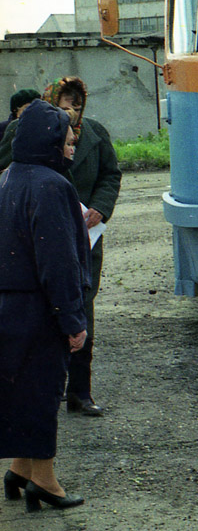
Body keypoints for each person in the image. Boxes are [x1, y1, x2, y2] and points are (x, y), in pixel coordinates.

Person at [0, 78, 123, 414]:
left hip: (85, 235)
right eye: (64, 106)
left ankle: (80, 392)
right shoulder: (24, 132)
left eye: (76, 106)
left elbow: (111, 174)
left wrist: (100, 206)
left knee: (81, 303)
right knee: (42, 309)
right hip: (37, 235)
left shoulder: (95, 134)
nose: (71, 113)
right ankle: (40, 389)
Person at [0, 99, 91, 512]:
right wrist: (73, 319)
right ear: (51, 141)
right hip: (39, 309)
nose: (73, 146)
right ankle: (46, 482)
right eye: (69, 140)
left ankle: (20, 470)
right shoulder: (52, 186)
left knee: (21, 390)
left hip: (9, 306)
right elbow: (58, 263)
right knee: (43, 391)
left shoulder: (7, 177)